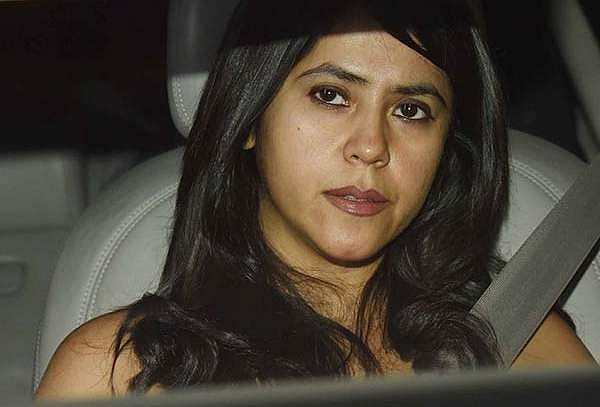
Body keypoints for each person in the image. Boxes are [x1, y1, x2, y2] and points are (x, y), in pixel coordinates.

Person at [34, 0, 596, 401]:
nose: (371, 146)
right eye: (330, 95)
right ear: (249, 117)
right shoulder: (114, 374)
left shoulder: (518, 341)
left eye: (411, 110)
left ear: (445, 148)